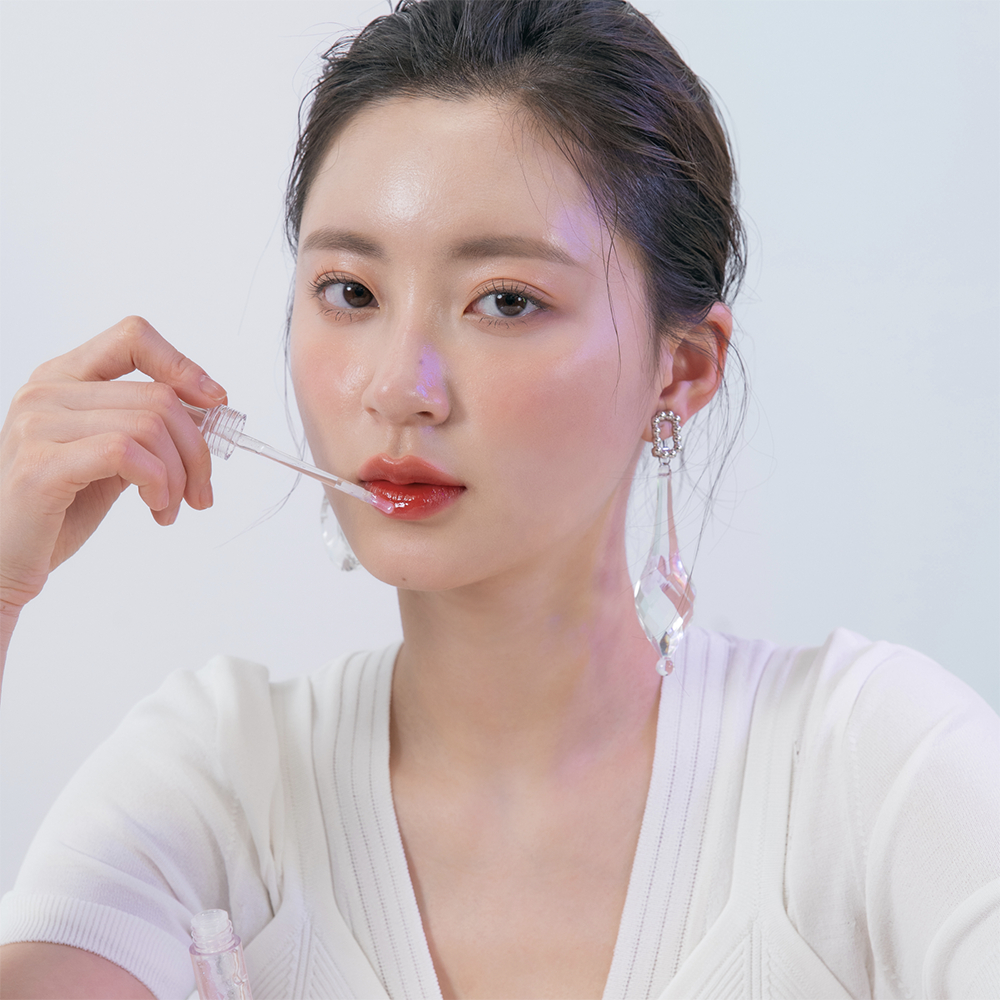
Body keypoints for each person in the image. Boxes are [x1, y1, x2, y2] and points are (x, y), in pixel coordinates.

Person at [1, 1, 997, 998]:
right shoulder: (219, 785)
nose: (399, 387)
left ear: (683, 368)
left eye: (505, 301)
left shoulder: (872, 771)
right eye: (351, 292)